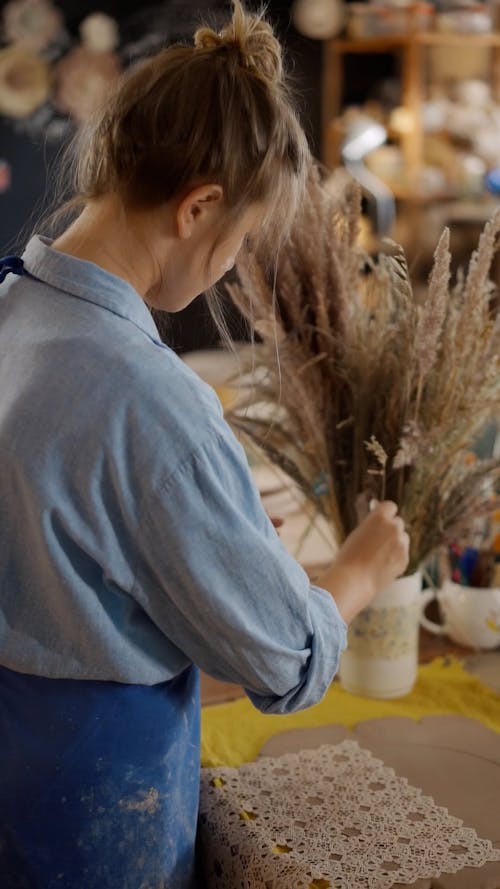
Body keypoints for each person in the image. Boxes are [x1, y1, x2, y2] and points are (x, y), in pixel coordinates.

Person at [0, 2, 409, 887]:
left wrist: (192, 523)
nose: (231, 266)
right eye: (241, 240)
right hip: (88, 817)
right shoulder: (153, 402)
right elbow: (282, 657)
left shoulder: (11, 307)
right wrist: (359, 572)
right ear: (200, 207)